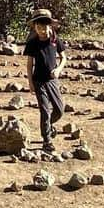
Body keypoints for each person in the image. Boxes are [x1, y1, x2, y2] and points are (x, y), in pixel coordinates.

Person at [23, 8, 67, 152]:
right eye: (39, 27)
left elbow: (64, 57)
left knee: (59, 110)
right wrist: (30, 82)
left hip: (52, 80)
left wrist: (59, 69)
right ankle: (46, 140)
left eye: (45, 27)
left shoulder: (55, 40)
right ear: (35, 27)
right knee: (45, 111)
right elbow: (30, 64)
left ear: (50, 26)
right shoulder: (32, 43)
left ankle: (48, 125)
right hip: (38, 81)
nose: (42, 30)